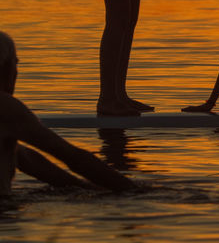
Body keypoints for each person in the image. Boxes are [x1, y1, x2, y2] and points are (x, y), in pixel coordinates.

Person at [1, 31, 134, 193]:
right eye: (16, 64)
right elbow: (73, 157)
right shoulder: (6, 107)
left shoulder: (8, 136)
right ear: (6, 69)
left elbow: (32, 162)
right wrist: (136, 190)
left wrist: (86, 188)